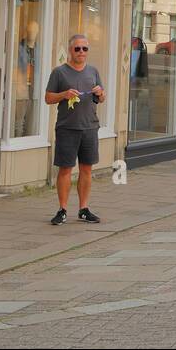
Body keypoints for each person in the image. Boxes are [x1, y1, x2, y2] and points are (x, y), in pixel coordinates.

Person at [45, 34, 105, 226]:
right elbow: (48, 98)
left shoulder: (93, 71)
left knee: (86, 170)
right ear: (70, 51)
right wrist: (64, 94)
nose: (81, 52)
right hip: (67, 128)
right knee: (65, 170)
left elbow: (101, 98)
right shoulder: (59, 72)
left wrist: (100, 93)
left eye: (84, 49)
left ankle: (84, 209)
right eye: (77, 49)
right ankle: (62, 209)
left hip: (89, 127)